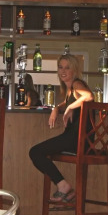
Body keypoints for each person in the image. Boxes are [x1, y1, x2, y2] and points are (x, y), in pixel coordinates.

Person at [28, 54, 94, 202]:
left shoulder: (77, 84)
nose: (63, 71)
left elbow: (89, 96)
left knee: (35, 152)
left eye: (67, 68)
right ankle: (63, 185)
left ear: (74, 70)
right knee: (37, 152)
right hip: (75, 138)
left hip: (78, 140)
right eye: (60, 67)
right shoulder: (70, 89)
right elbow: (67, 102)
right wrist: (57, 108)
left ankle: (63, 185)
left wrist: (70, 107)